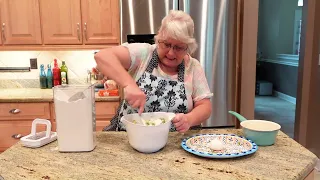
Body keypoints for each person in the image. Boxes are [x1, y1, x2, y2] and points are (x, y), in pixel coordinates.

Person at [95, 10, 213, 133]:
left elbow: (205, 106)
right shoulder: (144, 54)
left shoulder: (193, 67)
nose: (171, 53)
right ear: (158, 39)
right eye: (166, 44)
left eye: (178, 47)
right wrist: (129, 84)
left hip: (173, 143)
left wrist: (189, 119)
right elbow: (102, 56)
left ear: (188, 47)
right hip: (130, 138)